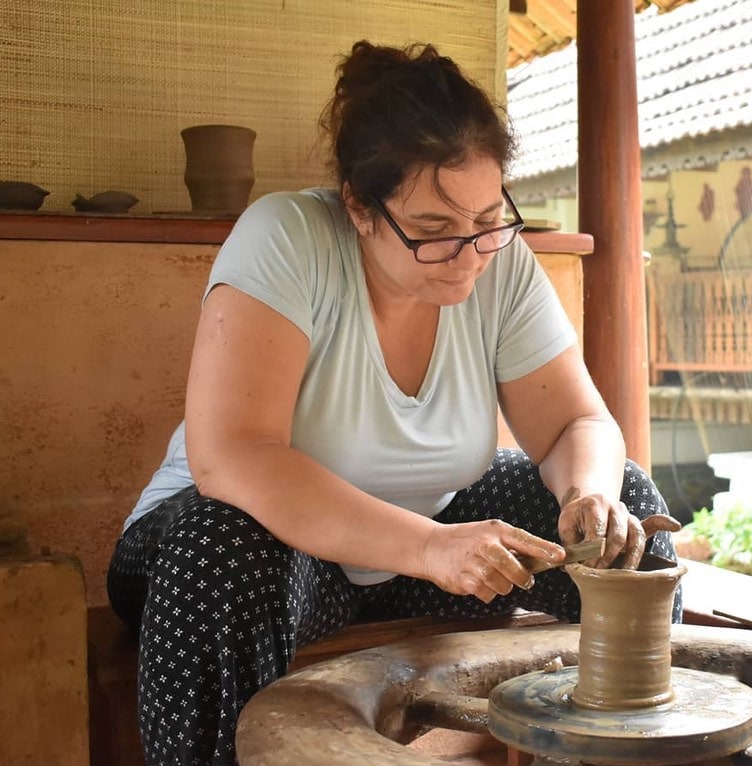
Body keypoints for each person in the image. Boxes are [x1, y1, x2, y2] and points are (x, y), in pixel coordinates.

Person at [107, 40, 680, 766]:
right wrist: (431, 548)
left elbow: (576, 422)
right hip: (252, 555)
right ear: (359, 206)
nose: (470, 254)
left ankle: (624, 746)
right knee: (222, 546)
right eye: (433, 231)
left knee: (627, 512)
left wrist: (588, 494)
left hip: (422, 549)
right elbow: (234, 457)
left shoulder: (500, 265)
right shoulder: (287, 238)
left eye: (486, 220)